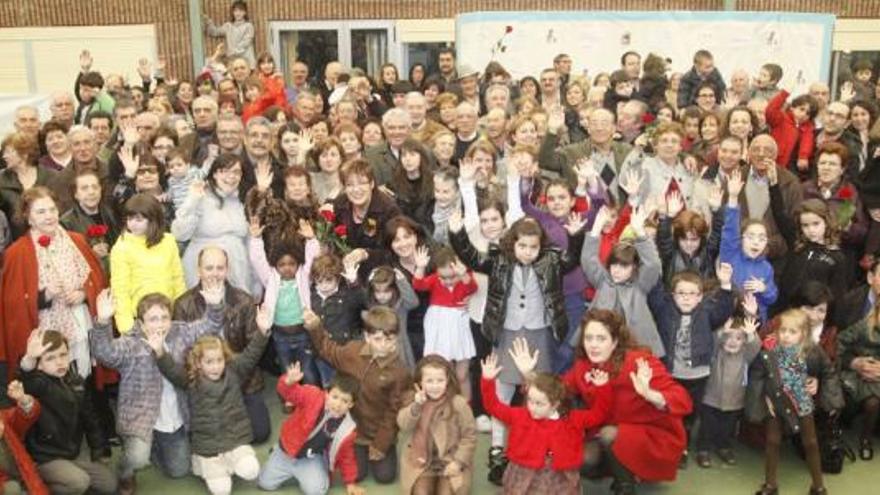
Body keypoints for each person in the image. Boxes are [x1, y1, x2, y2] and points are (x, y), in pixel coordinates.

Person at [449, 214, 585, 485]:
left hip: (539, 332)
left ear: (541, 246)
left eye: (533, 247)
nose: (527, 252)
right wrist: (457, 232)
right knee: (503, 389)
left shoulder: (551, 260)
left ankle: (541, 445)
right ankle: (498, 449)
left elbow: (572, 261)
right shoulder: (499, 259)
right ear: (513, 244)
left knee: (539, 390)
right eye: (522, 246)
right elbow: (473, 258)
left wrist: (576, 236)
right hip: (507, 331)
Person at [90, 287, 226, 493]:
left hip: (172, 418)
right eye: (153, 319)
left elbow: (210, 326)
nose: (160, 324)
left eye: (164, 317)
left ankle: (155, 447)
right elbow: (104, 353)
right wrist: (102, 322)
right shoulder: (130, 344)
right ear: (141, 323)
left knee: (179, 470)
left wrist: (215, 305)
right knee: (137, 458)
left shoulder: (180, 332)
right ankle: (126, 472)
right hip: (140, 418)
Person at [150, 303, 272, 495]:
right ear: (198, 363)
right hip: (208, 447)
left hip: (234, 441)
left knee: (251, 470)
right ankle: (212, 468)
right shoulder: (192, 381)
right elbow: (172, 371)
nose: (215, 367)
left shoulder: (235, 372)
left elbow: (251, 354)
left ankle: (231, 462)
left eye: (219, 360)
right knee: (222, 490)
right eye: (209, 362)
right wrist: (159, 352)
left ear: (225, 359)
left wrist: (263, 331)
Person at [0, 187, 105, 385]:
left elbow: (97, 280)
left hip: (81, 324)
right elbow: (12, 305)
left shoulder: (77, 240)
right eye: (40, 212)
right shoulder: (17, 252)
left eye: (52, 210)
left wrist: (83, 294)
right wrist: (45, 295)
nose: (49, 216)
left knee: (86, 381)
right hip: (45, 330)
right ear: (28, 217)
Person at [173, 246, 270, 444]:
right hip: (202, 382)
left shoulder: (244, 301)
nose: (215, 273)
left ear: (227, 269)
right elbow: (183, 354)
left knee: (260, 433)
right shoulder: (183, 304)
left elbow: (253, 348)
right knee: (197, 436)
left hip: (241, 377)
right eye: (209, 268)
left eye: (220, 268)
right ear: (198, 270)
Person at [302, 307, 411, 484]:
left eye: (390, 339)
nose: (384, 345)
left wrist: (381, 444)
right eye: (377, 339)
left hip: (378, 432)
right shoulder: (352, 351)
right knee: (356, 475)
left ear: (397, 338)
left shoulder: (400, 372)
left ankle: (384, 449)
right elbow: (328, 350)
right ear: (367, 337)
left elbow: (393, 412)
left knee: (385, 477)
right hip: (352, 429)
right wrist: (315, 327)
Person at [482, 351, 612, 495]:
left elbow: (599, 414)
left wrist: (602, 388)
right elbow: (493, 406)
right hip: (523, 471)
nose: (532, 407)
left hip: (560, 476)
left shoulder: (572, 419)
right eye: (530, 400)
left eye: (539, 403)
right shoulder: (519, 415)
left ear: (555, 404)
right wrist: (488, 380)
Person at [647, 267, 736, 466]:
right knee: (671, 413)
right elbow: (654, 292)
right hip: (672, 375)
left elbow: (723, 310)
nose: (686, 298)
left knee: (691, 413)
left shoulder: (706, 312)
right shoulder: (665, 310)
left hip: (698, 375)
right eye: (681, 293)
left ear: (700, 297)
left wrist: (726, 286)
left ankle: (685, 443)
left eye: (692, 294)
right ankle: (678, 449)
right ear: (672, 295)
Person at [746, 309, 837, 495]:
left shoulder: (813, 351)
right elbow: (757, 375)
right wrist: (763, 398)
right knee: (772, 442)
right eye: (783, 331)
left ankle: (818, 485)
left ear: (803, 334)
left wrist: (819, 384)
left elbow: (828, 370)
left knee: (811, 443)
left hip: (802, 402)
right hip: (775, 403)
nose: (786, 336)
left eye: (792, 332)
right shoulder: (769, 350)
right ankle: (770, 484)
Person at [20, 330, 114, 494]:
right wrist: (29, 360)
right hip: (45, 458)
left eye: (63, 355)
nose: (59, 362)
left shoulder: (76, 381)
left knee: (109, 484)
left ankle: (69, 477)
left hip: (71, 452)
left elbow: (90, 418)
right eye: (50, 358)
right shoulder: (39, 384)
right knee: (80, 482)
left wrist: (98, 449)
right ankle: (37, 486)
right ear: (39, 364)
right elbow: (28, 381)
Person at [257, 365, 363, 495]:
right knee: (265, 484)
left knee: (317, 491)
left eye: (345, 401)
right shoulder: (312, 395)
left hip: (310, 457)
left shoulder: (347, 429)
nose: (338, 404)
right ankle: (276, 451)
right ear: (327, 392)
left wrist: (350, 482)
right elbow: (290, 394)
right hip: (286, 450)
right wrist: (288, 382)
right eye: (335, 397)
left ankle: (319, 466)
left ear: (351, 405)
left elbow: (347, 456)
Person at [583, 205, 665, 357]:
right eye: (614, 264)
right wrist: (596, 228)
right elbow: (588, 259)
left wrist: (640, 232)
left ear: (634, 267)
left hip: (635, 347)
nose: (616, 270)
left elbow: (653, 264)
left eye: (624, 265)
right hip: (603, 346)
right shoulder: (602, 280)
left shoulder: (640, 284)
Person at [248, 218, 320, 384]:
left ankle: (312, 395)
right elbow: (257, 260)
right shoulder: (271, 279)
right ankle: (290, 397)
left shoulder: (303, 277)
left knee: (308, 368)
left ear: (298, 263)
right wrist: (256, 239)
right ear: (275, 265)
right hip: (280, 336)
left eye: (291, 264)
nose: (287, 268)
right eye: (282, 265)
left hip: (303, 333)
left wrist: (311, 240)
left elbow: (312, 259)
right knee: (287, 368)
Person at [172, 153, 254, 293]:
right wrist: (193, 201)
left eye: (236, 172)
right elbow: (179, 234)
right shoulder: (200, 195)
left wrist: (255, 282)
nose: (231, 176)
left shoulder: (243, 202)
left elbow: (249, 243)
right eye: (224, 171)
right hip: (202, 271)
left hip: (238, 272)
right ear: (214, 174)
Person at [397, 355, 476, 495]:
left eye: (440, 380)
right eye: (429, 381)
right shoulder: (415, 400)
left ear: (448, 381)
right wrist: (416, 406)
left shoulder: (458, 403)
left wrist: (458, 462)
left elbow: (469, 436)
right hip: (422, 462)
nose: (435, 386)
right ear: (420, 382)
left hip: (450, 460)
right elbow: (403, 424)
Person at [412, 246, 478, 400]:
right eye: (443, 277)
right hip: (438, 326)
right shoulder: (435, 279)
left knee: (462, 375)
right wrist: (420, 267)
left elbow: (472, 287)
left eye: (452, 276)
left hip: (459, 325)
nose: (448, 281)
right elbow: (418, 285)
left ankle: (466, 409)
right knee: (443, 372)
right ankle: (445, 409)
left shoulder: (464, 277)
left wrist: (463, 276)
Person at [695, 315, 761, 468]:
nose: (732, 341)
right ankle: (703, 449)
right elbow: (712, 342)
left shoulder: (745, 355)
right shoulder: (717, 353)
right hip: (710, 398)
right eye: (728, 337)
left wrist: (751, 334)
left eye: (738, 338)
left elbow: (755, 346)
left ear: (744, 342)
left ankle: (723, 447)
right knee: (707, 426)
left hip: (735, 400)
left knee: (727, 427)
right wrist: (721, 333)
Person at [720, 169, 778, 321]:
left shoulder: (766, 267)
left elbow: (772, 299)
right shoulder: (731, 254)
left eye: (761, 238)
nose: (756, 242)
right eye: (751, 237)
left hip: (754, 322)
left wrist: (764, 289)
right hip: (729, 318)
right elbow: (730, 230)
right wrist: (732, 197)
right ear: (742, 239)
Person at [837, 301, 880, 461]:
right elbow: (838, 343)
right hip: (860, 375)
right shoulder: (863, 326)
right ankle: (865, 440)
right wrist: (854, 362)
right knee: (872, 403)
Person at [0, 132, 58, 242]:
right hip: (18, 242)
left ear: (24, 153)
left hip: (52, 238)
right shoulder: (1, 180)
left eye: (8, 152)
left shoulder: (51, 176)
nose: (4, 156)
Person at [0, 379, 48, 495]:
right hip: (7, 486)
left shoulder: (3, 416)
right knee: (12, 489)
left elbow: (26, 415)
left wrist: (22, 399)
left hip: (24, 477)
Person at [203, 1, 255, 67]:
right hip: (233, 64)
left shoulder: (249, 26)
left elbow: (245, 43)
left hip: (247, 63)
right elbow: (215, 32)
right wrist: (208, 21)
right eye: (236, 11)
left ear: (245, 12)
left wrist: (230, 52)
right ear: (233, 12)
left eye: (240, 11)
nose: (238, 13)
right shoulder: (228, 26)